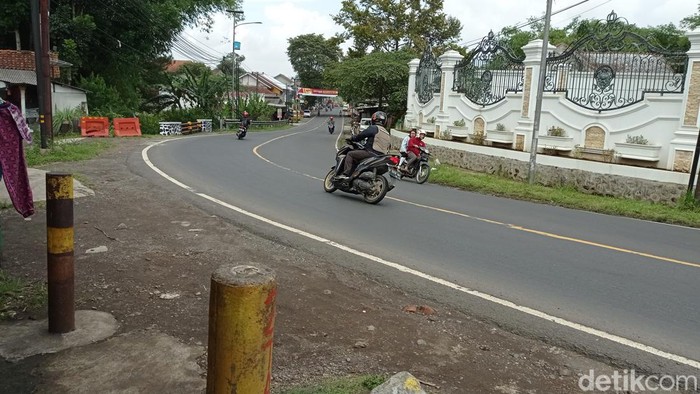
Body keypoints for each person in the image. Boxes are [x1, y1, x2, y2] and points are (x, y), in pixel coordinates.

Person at [335, 111, 390, 180]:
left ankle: (345, 174)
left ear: (373, 119)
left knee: (350, 154)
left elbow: (361, 136)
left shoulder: (374, 128)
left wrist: (353, 138)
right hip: (381, 157)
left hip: (370, 153)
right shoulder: (387, 133)